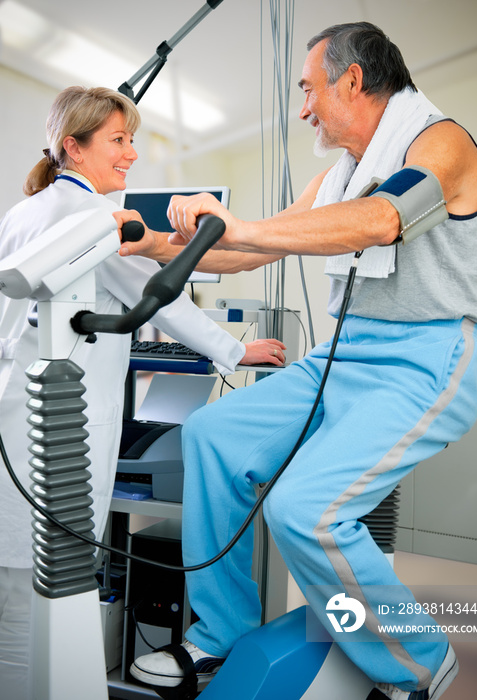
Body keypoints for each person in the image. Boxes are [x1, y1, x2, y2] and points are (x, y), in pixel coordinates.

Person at [117, 22, 477, 700]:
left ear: (351, 79)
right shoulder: (338, 176)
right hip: (343, 357)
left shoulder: (441, 142)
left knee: (306, 510)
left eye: (307, 90)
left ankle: (420, 666)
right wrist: (144, 245)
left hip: (426, 360)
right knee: (209, 435)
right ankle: (221, 630)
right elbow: (251, 250)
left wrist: (243, 227)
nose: (302, 109)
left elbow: (383, 219)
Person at [0, 85, 285, 700]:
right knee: (44, 588)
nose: (131, 153)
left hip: (12, 415)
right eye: (117, 140)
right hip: (57, 425)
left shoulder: (25, 211)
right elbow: (164, 297)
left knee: (13, 589)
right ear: (73, 147)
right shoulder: (94, 218)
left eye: (132, 139)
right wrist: (237, 350)